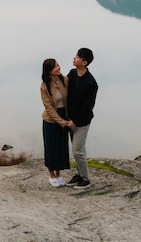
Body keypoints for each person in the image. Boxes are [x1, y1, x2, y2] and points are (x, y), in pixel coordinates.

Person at [66, 47, 98, 189]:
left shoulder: (91, 83)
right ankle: (79, 174)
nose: (74, 58)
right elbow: (63, 87)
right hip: (70, 119)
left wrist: (75, 121)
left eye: (77, 57)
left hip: (81, 122)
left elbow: (88, 106)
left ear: (84, 62)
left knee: (77, 151)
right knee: (80, 149)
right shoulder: (72, 73)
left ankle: (86, 179)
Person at [40, 58, 71, 187]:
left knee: (61, 147)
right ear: (49, 71)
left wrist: (67, 119)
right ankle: (51, 175)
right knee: (51, 147)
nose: (58, 68)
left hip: (64, 116)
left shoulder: (65, 80)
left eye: (58, 65)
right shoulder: (44, 87)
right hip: (51, 120)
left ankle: (58, 174)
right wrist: (61, 121)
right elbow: (49, 108)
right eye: (55, 67)